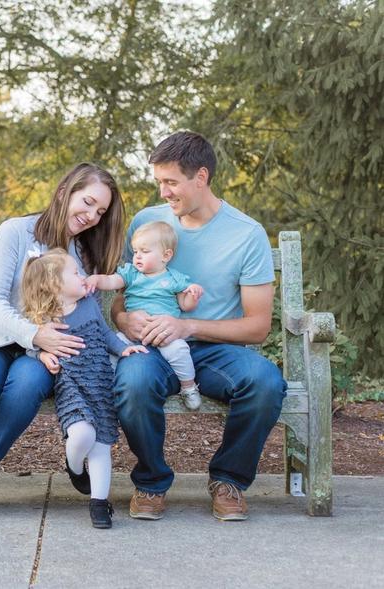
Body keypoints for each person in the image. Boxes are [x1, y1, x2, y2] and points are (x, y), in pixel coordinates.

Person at [0, 162, 125, 520]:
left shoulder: (84, 254)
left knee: (24, 387)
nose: (91, 216)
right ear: (63, 192)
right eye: (87, 202)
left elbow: (90, 318)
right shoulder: (16, 232)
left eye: (100, 211)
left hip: (43, 356)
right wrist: (34, 335)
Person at [112, 131, 287, 522]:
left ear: (201, 177)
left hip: (213, 348)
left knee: (265, 383)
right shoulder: (147, 223)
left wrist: (187, 326)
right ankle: (151, 481)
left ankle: (229, 480)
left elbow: (257, 328)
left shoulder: (246, 234)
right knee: (133, 383)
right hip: (153, 347)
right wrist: (125, 319)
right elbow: (122, 299)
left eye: (170, 182)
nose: (163, 192)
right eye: (159, 182)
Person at [20, 249, 147, 528]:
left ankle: (99, 504)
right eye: (75, 273)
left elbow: (104, 334)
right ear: (55, 285)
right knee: (81, 435)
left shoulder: (89, 303)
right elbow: (28, 346)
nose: (82, 277)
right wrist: (41, 355)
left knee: (101, 444)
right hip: (72, 386)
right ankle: (75, 468)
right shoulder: (44, 318)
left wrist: (125, 350)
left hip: (101, 382)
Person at [86, 220, 203, 410]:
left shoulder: (173, 278)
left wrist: (193, 295)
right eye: (135, 252)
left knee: (180, 351)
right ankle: (105, 387)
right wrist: (96, 280)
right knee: (115, 345)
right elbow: (111, 281)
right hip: (133, 333)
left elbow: (185, 305)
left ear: (166, 255)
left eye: (145, 252)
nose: (138, 257)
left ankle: (188, 386)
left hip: (164, 334)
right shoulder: (131, 274)